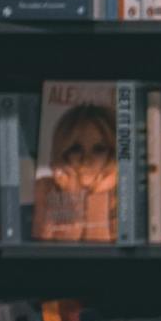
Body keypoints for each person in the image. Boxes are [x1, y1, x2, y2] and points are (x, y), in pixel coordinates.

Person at [31, 102, 119, 242]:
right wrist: (73, 196)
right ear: (63, 151)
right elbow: (55, 249)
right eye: (76, 149)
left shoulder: (125, 194)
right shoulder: (44, 188)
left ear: (112, 154)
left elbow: (99, 250)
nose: (86, 160)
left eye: (99, 149)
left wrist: (98, 196)